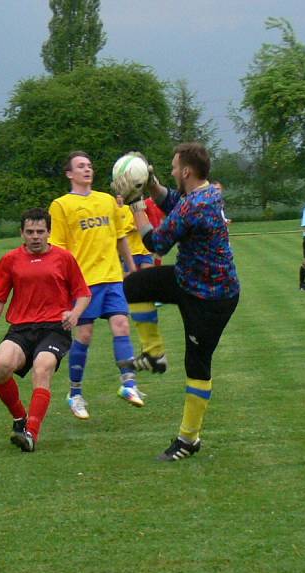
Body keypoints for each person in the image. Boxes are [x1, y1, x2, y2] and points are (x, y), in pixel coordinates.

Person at [117, 142, 240, 461]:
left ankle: (189, 440)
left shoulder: (197, 205)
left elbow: (155, 242)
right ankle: (154, 354)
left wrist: (136, 202)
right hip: (190, 280)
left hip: (212, 297)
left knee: (196, 366)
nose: (171, 171)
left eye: (173, 167)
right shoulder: (206, 192)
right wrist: (152, 183)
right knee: (135, 285)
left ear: (186, 171)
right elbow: (174, 200)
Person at [49, 151, 154, 419]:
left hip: (112, 278)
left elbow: (121, 238)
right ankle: (75, 394)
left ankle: (128, 384)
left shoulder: (107, 201)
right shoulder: (61, 205)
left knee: (122, 325)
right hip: (83, 283)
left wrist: (131, 270)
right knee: (84, 336)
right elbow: (58, 249)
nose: (87, 169)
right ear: (69, 174)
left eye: (90, 165)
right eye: (81, 166)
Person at [0, 207, 91, 452]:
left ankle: (31, 433)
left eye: (40, 231)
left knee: (42, 367)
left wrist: (74, 314)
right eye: (30, 232)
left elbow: (83, 294)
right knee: (0, 366)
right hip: (21, 328)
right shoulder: (10, 260)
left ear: (49, 232)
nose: (35, 236)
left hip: (54, 328)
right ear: (22, 233)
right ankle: (20, 418)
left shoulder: (64, 258)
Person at [116, 201, 167, 370]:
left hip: (144, 251)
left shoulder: (140, 209)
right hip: (130, 253)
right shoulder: (121, 210)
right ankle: (152, 351)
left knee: (148, 283)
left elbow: (145, 226)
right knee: (130, 284)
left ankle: (153, 350)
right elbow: (123, 229)